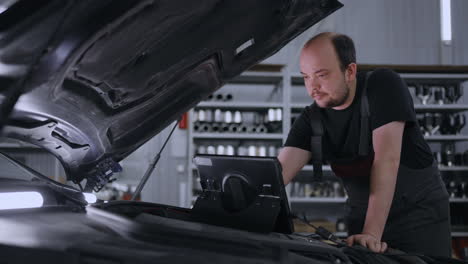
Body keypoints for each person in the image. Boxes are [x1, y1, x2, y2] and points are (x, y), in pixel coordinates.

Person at [278, 32, 451, 256]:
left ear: (349, 71)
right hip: (362, 218)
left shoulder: (382, 85)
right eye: (306, 77)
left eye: (321, 75)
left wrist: (371, 233)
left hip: (418, 216)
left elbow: (387, 160)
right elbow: (276, 175)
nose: (313, 87)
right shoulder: (312, 119)